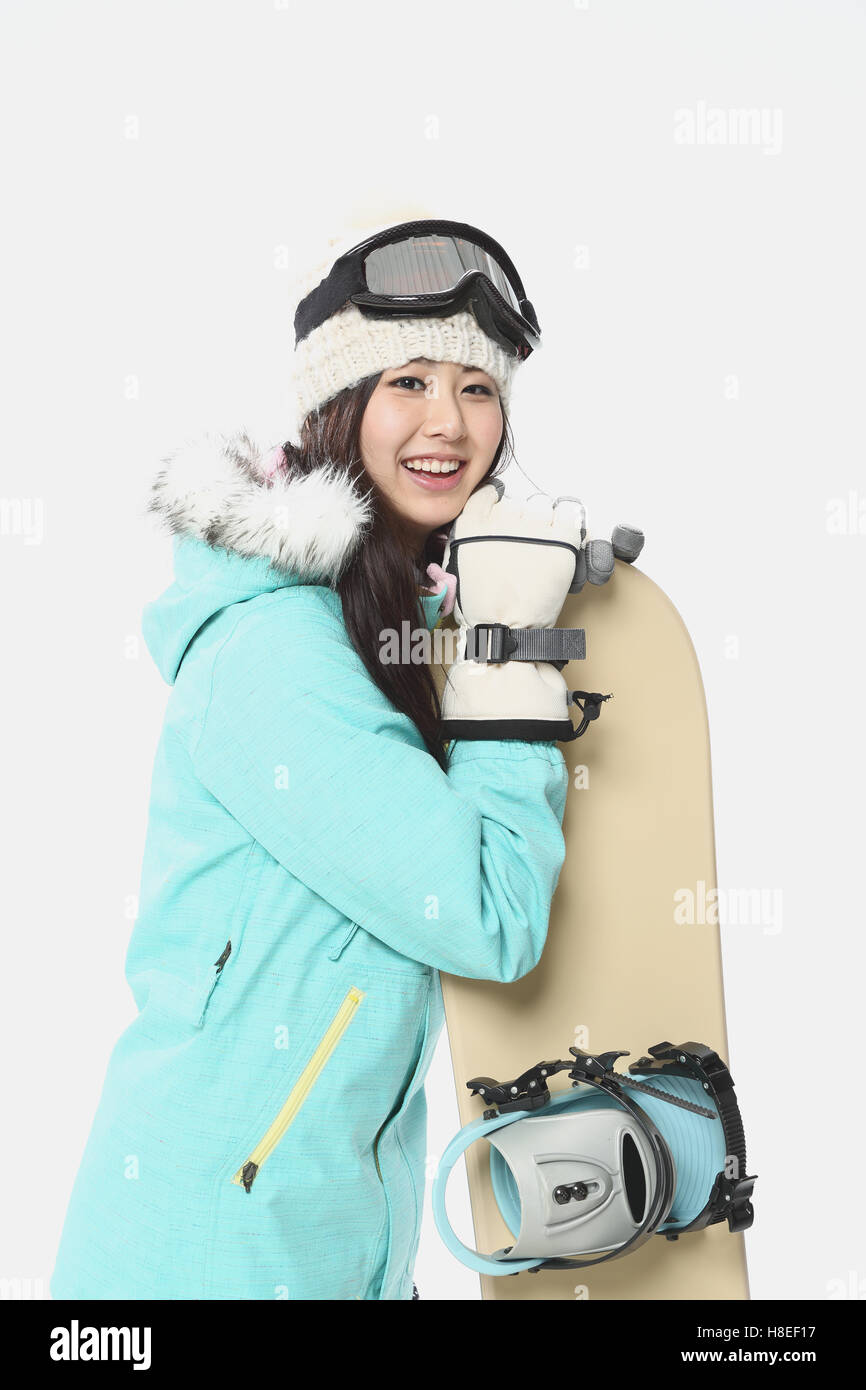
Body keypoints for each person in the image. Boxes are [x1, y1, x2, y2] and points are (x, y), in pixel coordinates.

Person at [49, 213, 580, 1301]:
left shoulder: (363, 629)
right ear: (337, 408)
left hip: (329, 1239)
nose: (449, 420)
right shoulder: (276, 659)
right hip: (208, 1258)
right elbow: (488, 913)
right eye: (409, 382)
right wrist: (509, 659)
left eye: (477, 388)